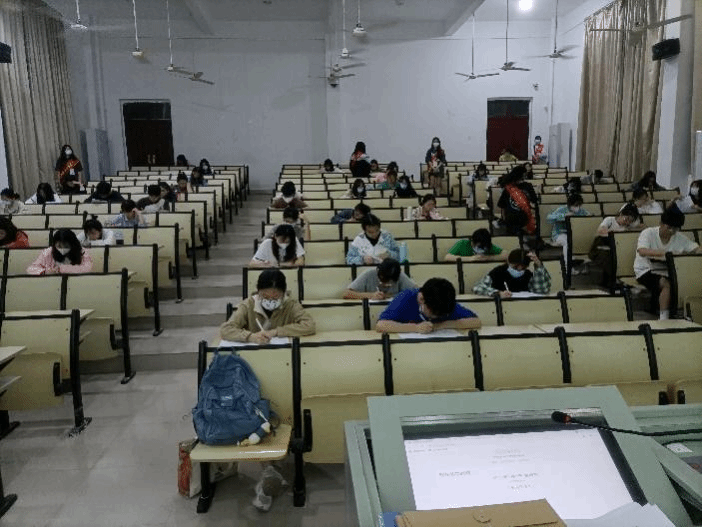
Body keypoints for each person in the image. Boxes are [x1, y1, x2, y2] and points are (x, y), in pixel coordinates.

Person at [634, 206, 700, 319]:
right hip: (646, 270)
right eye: (669, 228)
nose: (672, 232)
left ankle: (686, 313)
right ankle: (664, 317)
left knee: (687, 280)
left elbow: (696, 249)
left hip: (668, 270)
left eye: (675, 229)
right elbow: (642, 251)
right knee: (667, 284)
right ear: (661, 223)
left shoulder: (679, 237)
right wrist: (666, 254)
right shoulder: (648, 233)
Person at [221, 269, 315, 344]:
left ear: (283, 293)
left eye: (275, 297)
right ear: (258, 292)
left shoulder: (291, 304)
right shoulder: (248, 305)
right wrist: (250, 337)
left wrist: (276, 332)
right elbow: (226, 329)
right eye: (265, 297)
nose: (270, 300)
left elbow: (309, 325)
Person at [375, 278, 481, 334]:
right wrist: (416, 328)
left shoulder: (444, 300)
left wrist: (440, 325)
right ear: (421, 299)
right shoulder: (405, 298)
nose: (436, 317)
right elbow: (381, 325)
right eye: (433, 313)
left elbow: (476, 322)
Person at [589, 203, 642, 287]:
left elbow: (642, 227)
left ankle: (620, 280)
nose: (627, 222)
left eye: (630, 221)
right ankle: (612, 282)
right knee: (610, 257)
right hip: (599, 248)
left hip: (616, 249)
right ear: (621, 214)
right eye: (626, 219)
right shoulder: (610, 220)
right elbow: (600, 231)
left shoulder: (627, 227)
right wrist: (615, 234)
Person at [472, 249, 551, 298]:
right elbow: (478, 287)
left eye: (523, 268)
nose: (519, 270)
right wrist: (498, 293)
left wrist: (538, 265)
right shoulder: (498, 272)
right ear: (508, 262)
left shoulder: (527, 274)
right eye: (515, 267)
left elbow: (542, 290)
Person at [546, 193, 593, 270]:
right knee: (567, 241)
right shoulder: (562, 209)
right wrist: (563, 216)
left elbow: (589, 216)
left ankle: (576, 261)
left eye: (579, 205)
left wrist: (589, 216)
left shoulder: (581, 211)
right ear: (570, 204)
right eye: (576, 205)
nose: (577, 207)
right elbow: (549, 218)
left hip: (574, 234)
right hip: (559, 234)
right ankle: (568, 268)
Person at [496, 165, 539, 237]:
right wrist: (504, 219)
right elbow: (502, 205)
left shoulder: (527, 186)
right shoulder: (509, 188)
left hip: (524, 216)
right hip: (514, 218)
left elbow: (534, 201)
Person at [27, 228, 93, 275]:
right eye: (59, 246)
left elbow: (87, 269)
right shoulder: (48, 252)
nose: (62, 249)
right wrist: (44, 272)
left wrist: (60, 269)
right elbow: (31, 269)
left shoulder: (82, 252)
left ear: (73, 244)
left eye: (66, 246)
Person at [343, 258, 416, 300]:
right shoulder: (369, 274)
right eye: (383, 280)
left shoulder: (398, 275)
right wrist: (371, 295)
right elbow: (346, 293)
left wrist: (395, 296)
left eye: (389, 282)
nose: (385, 285)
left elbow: (417, 292)